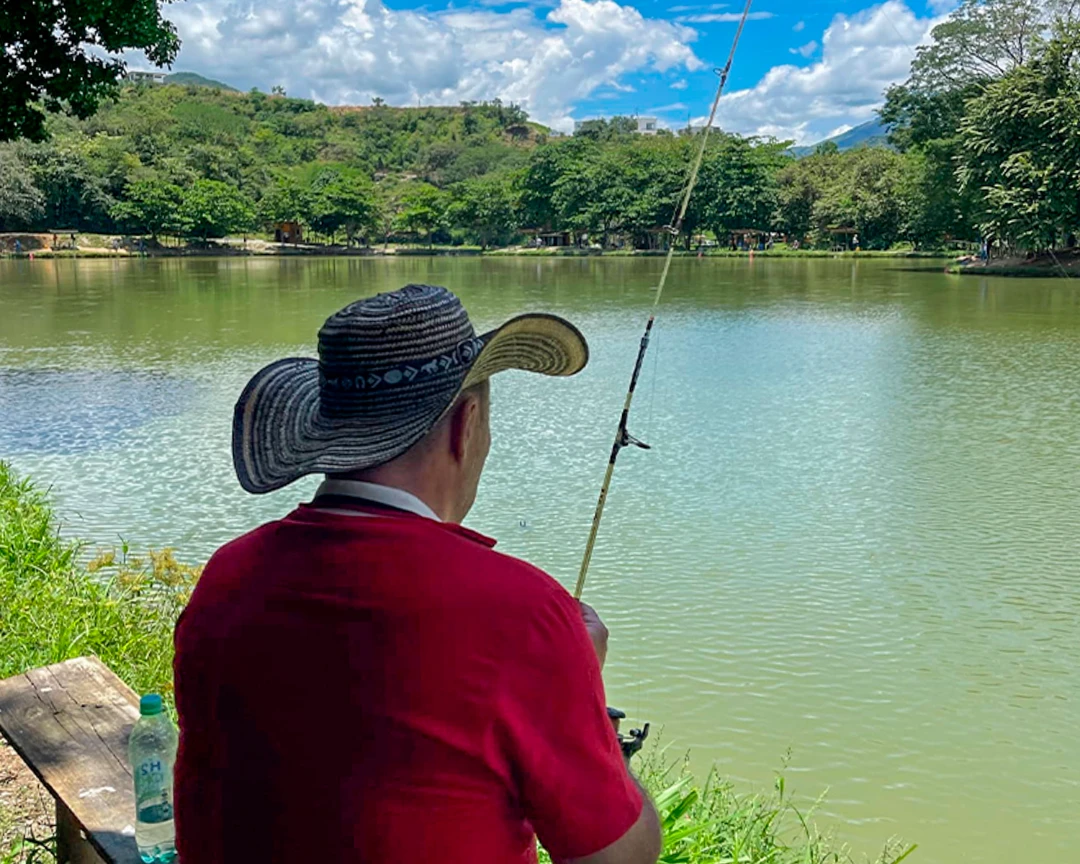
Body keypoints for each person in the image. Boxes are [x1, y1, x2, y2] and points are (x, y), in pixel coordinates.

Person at [174, 284, 663, 864]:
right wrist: (585, 694)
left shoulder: (228, 575)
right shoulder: (521, 612)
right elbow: (616, 858)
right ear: (467, 425)